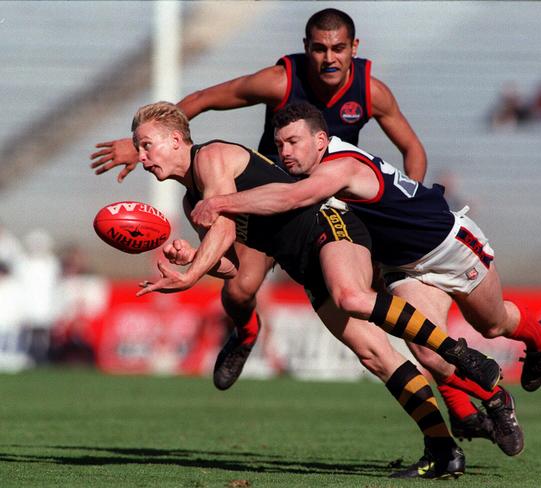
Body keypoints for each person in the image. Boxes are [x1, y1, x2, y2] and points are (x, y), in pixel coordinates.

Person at [128, 101, 506, 478]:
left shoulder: (211, 157)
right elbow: (232, 267)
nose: (142, 156)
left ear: (177, 139)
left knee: (351, 296)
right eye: (139, 147)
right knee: (374, 355)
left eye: (147, 145)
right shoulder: (192, 200)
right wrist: (194, 257)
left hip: (328, 224)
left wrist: (191, 275)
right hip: (303, 265)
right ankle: (442, 450)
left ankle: (464, 355)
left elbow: (225, 226)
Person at [89, 8, 428, 395]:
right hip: (263, 200)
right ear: (306, 48)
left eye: (337, 48)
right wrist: (144, 145)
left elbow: (412, 149)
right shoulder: (281, 81)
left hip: (331, 205)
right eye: (319, 48)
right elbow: (204, 98)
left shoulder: (371, 91)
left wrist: (405, 204)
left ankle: (462, 392)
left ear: (354, 48)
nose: (329, 58)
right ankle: (246, 333)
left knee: (387, 315)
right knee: (238, 289)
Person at [191, 101, 541, 447]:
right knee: (426, 350)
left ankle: (540, 339)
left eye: (293, 141)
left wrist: (219, 202)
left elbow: (292, 199)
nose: (285, 151)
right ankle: (489, 406)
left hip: (446, 246)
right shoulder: (308, 170)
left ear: (320, 140)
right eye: (279, 143)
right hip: (402, 267)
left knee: (493, 325)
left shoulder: (340, 165)